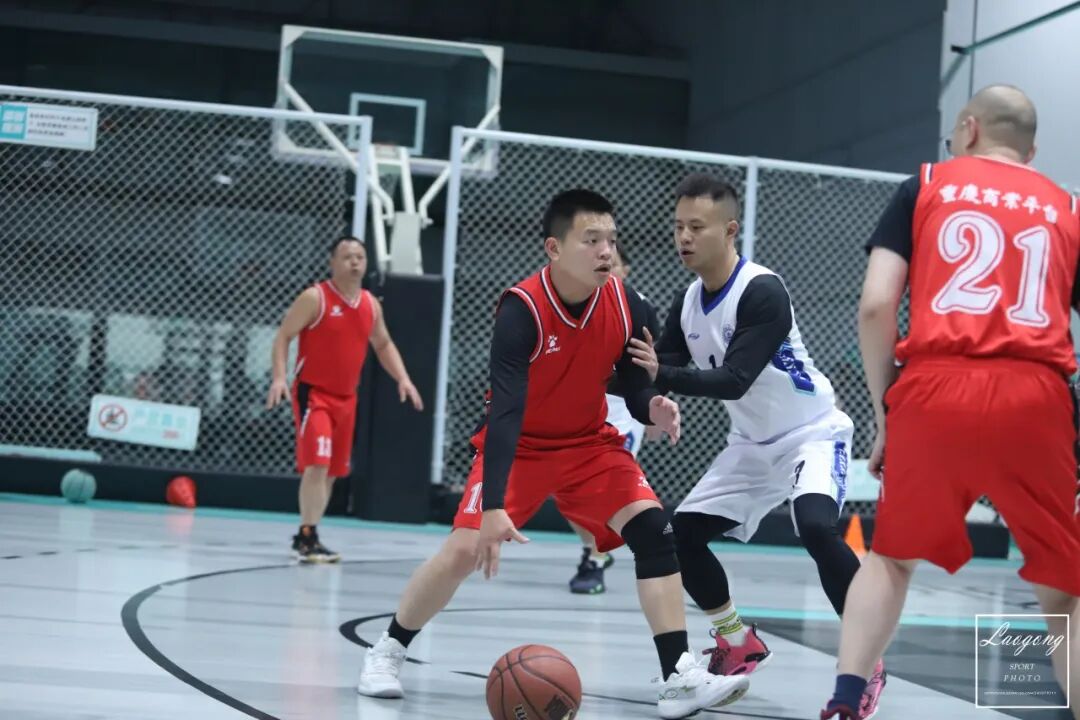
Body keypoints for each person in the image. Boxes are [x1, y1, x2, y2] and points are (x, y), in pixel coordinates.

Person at [358, 189, 749, 718]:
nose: (606, 251)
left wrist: (652, 408)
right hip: (520, 446)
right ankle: (388, 649)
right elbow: (505, 412)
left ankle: (678, 676)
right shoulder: (521, 310)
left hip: (588, 445)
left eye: (611, 240)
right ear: (554, 248)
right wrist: (494, 506)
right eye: (591, 240)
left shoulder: (630, 305)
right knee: (462, 550)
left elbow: (632, 386)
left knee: (656, 532)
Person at [822, 85, 1080, 720]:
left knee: (890, 560)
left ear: (968, 128)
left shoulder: (927, 184)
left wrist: (886, 412)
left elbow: (876, 305)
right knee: (1065, 587)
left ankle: (847, 700)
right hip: (1036, 394)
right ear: (1030, 151)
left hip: (935, 387)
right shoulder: (1067, 207)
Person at [627, 173, 884, 715]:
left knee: (816, 528)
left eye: (697, 227)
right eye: (678, 226)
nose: (684, 237)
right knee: (679, 536)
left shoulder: (761, 290)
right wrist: (646, 396)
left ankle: (866, 663)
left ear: (730, 230)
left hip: (812, 433)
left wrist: (663, 377)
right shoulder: (687, 301)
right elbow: (657, 367)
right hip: (751, 444)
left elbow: (735, 379)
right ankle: (736, 640)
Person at [266, 236, 423, 563]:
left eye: (360, 257)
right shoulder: (315, 298)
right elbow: (284, 336)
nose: (355, 262)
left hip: (347, 398)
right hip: (314, 394)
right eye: (347, 256)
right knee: (318, 463)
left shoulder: (370, 305)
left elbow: (383, 344)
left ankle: (309, 533)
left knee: (332, 472)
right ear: (332, 262)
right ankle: (307, 536)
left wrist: (403, 378)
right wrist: (279, 377)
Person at [568, 239, 662, 595]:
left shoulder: (639, 308)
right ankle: (594, 547)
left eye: (614, 262)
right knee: (567, 490)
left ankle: (594, 560)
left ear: (625, 270)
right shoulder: (573, 303)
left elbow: (653, 364)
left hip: (623, 410)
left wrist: (652, 409)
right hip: (580, 408)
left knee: (603, 487)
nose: (606, 265)